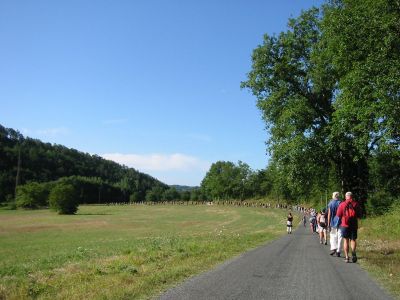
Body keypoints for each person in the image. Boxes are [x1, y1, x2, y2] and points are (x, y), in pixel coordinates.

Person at [336, 192, 362, 263]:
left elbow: (338, 215)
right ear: (352, 197)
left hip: (344, 225)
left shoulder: (342, 204)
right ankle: (353, 252)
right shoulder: (355, 204)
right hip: (353, 225)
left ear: (345, 197)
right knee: (353, 240)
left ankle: (347, 257)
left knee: (345, 240)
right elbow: (359, 215)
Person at [327, 192, 342, 257]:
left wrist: (328, 223)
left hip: (332, 223)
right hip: (340, 222)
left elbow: (329, 214)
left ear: (333, 196)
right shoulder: (340, 203)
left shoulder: (330, 203)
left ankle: (334, 249)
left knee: (333, 236)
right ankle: (338, 250)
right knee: (340, 237)